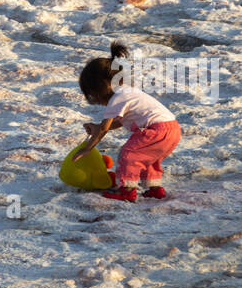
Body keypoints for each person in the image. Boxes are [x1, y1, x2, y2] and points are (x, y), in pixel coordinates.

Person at [74, 42, 181, 202]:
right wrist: (97, 127)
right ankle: (155, 189)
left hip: (157, 129)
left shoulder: (117, 97)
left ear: (102, 87)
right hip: (172, 128)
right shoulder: (128, 91)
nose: (98, 101)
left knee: (129, 154)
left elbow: (103, 129)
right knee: (148, 157)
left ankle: (127, 190)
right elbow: (114, 124)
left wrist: (87, 148)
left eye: (95, 96)